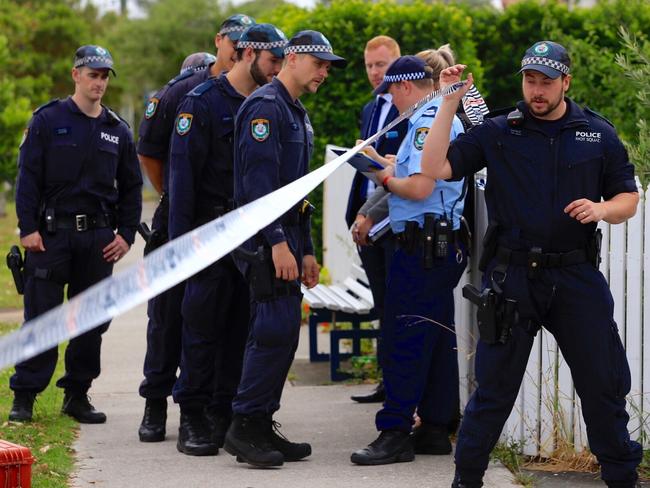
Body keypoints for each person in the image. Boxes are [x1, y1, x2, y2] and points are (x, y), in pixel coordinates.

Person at [420, 41, 642, 488]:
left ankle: (621, 478)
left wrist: (601, 210)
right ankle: (466, 480)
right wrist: (448, 102)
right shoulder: (501, 130)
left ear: (566, 82)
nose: (536, 90)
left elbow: (628, 199)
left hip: (576, 275)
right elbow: (435, 166)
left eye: (546, 82)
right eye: (530, 80)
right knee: (495, 391)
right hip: (514, 279)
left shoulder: (597, 134)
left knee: (603, 386)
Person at [224, 30, 347, 467]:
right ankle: (243, 426)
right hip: (264, 239)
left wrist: (307, 247)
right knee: (271, 331)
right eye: (320, 64)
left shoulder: (296, 112)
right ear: (293, 59)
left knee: (283, 334)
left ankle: (261, 424)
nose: (325, 72)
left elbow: (299, 191)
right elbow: (258, 188)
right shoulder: (265, 108)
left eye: (329, 67)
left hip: (289, 237)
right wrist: (277, 242)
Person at [167, 23, 287, 456]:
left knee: (241, 327)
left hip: (248, 237)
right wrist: (182, 247)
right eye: (273, 60)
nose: (277, 70)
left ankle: (224, 411)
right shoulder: (201, 103)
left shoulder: (267, 104)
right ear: (248, 53)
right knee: (200, 328)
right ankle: (192, 415)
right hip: (206, 235)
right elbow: (181, 182)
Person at [136, 13, 255, 443]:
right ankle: (154, 405)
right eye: (235, 40)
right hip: (180, 222)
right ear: (220, 41)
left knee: (218, 321)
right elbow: (149, 152)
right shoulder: (183, 92)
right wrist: (173, 196)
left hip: (229, 228)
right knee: (168, 320)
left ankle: (211, 407)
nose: (242, 48)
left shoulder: (257, 95)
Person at [9, 45, 143, 424]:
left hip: (98, 240)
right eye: (93, 74)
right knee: (42, 319)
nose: (99, 82)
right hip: (50, 238)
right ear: (76, 75)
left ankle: (77, 394)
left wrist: (127, 234)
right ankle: (25, 396)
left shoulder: (117, 130)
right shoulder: (48, 120)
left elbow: (132, 188)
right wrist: (28, 228)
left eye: (104, 76)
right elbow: (28, 178)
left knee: (90, 322)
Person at [350, 55, 467, 465]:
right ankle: (435, 427)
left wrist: (382, 177)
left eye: (391, 92)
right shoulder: (438, 116)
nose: (392, 101)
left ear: (403, 86)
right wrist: (389, 166)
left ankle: (395, 430)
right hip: (438, 245)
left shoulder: (427, 119)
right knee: (435, 337)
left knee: (405, 337)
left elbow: (417, 188)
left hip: (421, 248)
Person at [347, 35, 408, 405]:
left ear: (397, 63)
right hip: (365, 217)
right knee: (381, 306)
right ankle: (387, 380)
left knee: (396, 305)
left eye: (382, 65)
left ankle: (397, 387)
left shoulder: (410, 106)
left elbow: (404, 168)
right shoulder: (370, 107)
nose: (374, 72)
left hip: (392, 219)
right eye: (369, 65)